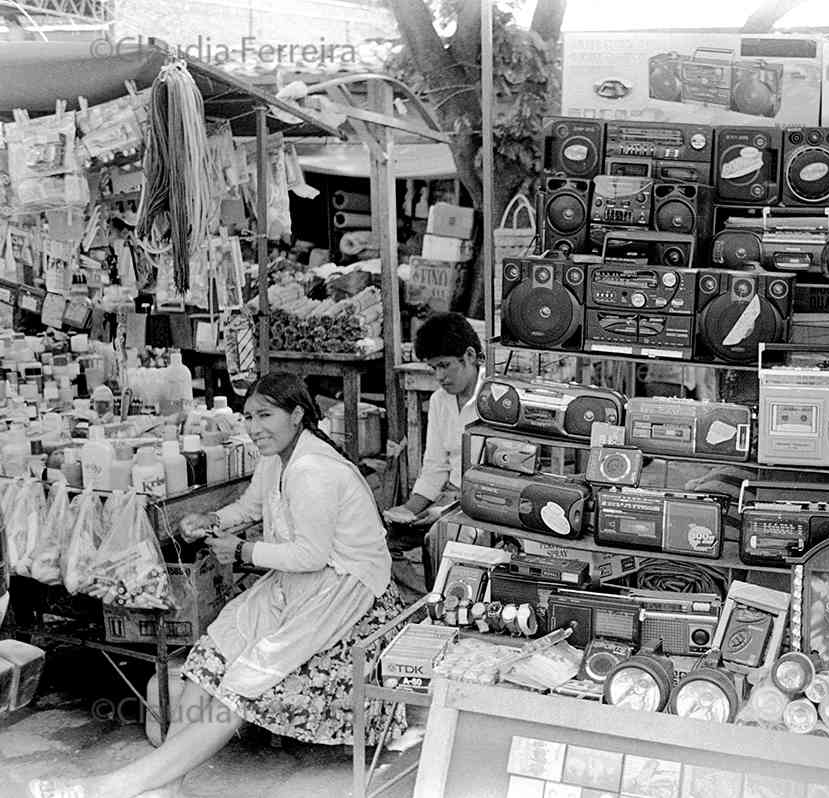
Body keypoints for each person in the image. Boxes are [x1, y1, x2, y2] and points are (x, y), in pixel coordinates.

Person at [29, 373, 399, 798]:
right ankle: (166, 785)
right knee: (210, 655)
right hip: (299, 582)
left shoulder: (313, 469)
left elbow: (311, 556)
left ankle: (113, 786)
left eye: (266, 415)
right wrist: (213, 521)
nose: (254, 427)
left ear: (297, 415)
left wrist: (242, 552)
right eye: (248, 416)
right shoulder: (276, 457)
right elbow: (253, 505)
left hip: (341, 589)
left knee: (243, 682)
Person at [384, 312, 486, 587]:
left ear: (470, 356)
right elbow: (434, 467)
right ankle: (422, 599)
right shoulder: (440, 401)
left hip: (484, 504)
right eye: (433, 369)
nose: (439, 376)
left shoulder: (497, 398)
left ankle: (442, 601)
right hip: (447, 499)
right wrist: (408, 510)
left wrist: (446, 511)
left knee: (439, 537)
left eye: (445, 365)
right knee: (381, 540)